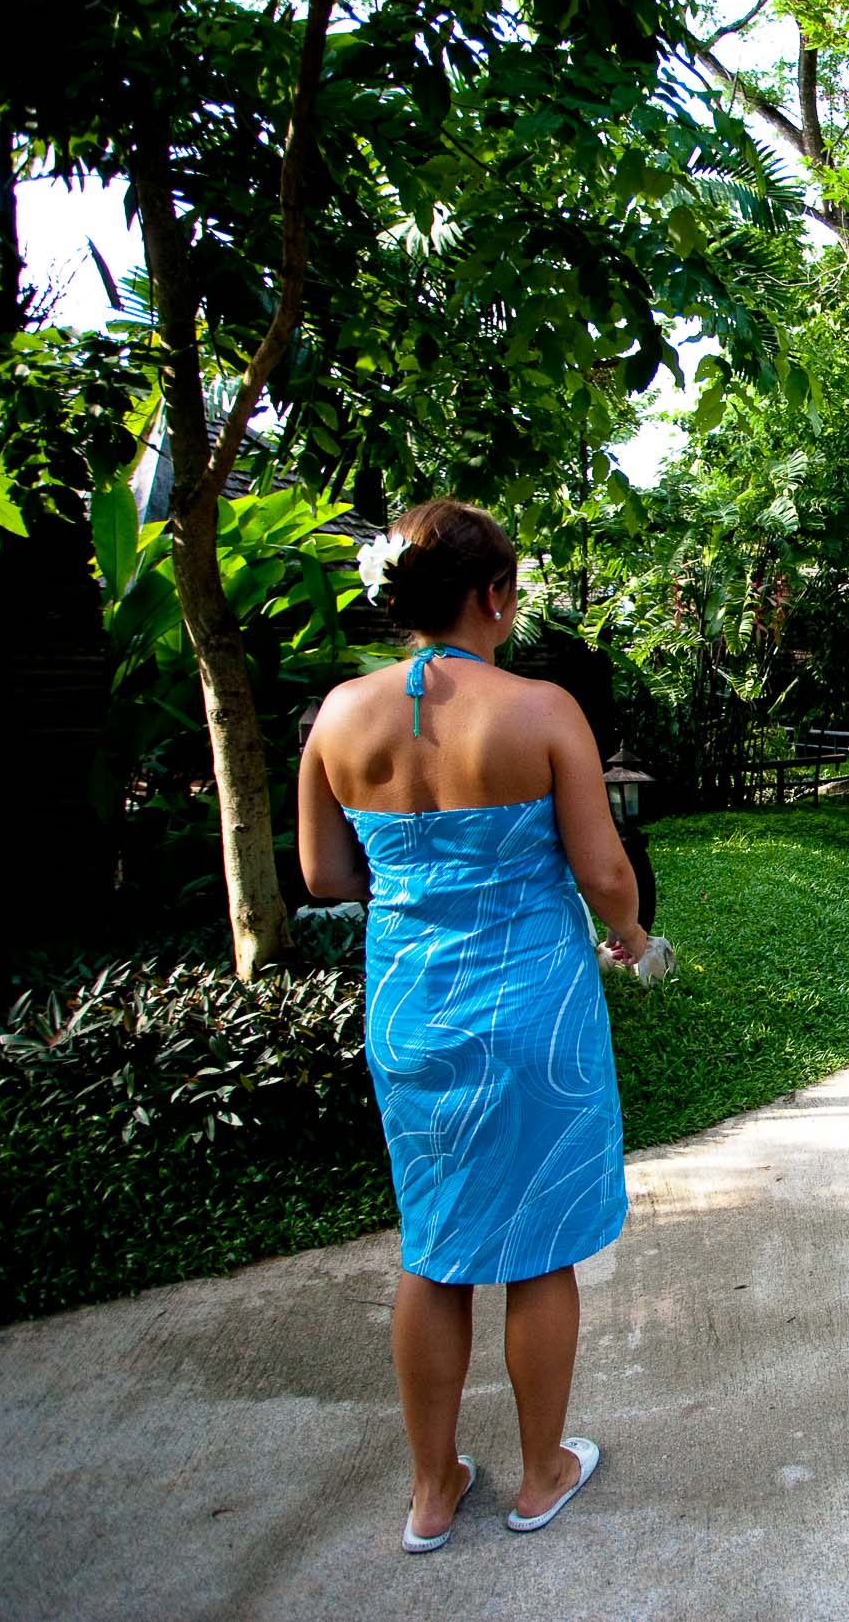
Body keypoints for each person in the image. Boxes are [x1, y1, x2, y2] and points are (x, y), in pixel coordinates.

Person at [297, 498, 646, 1553]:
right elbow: (603, 869)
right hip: (535, 1008)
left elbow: (322, 875)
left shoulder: (339, 715)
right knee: (540, 1245)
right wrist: (628, 933)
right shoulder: (540, 710)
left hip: (411, 1007)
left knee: (434, 1244)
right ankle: (540, 1474)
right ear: (495, 594)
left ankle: (432, 1490)